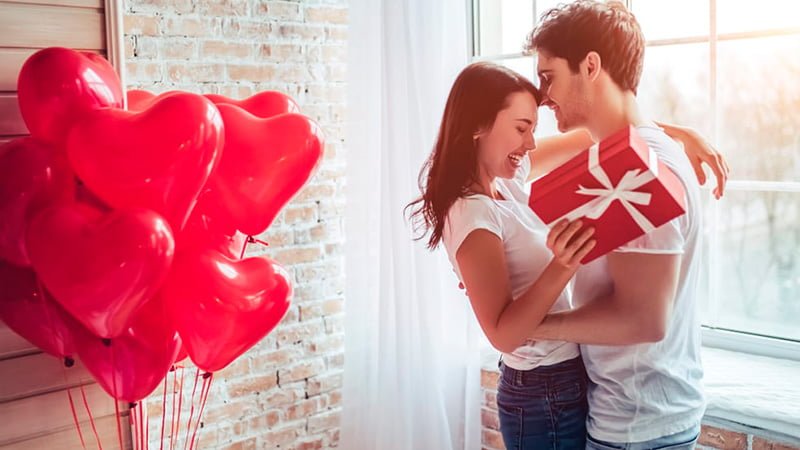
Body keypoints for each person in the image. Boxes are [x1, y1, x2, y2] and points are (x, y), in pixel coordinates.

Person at [407, 60, 727, 449]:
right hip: (539, 393)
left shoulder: (506, 183)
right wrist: (564, 263)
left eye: (533, 130)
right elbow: (503, 335)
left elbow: (592, 135)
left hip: (566, 379)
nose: (530, 145)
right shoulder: (473, 213)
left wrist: (681, 133)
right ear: (478, 126)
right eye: (521, 129)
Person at [526, 2, 708, 449]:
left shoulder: (639, 173)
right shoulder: (624, 157)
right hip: (641, 419)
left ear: (590, 66)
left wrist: (530, 324)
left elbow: (643, 319)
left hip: (638, 428)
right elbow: (515, 162)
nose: (542, 95)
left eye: (548, 77)